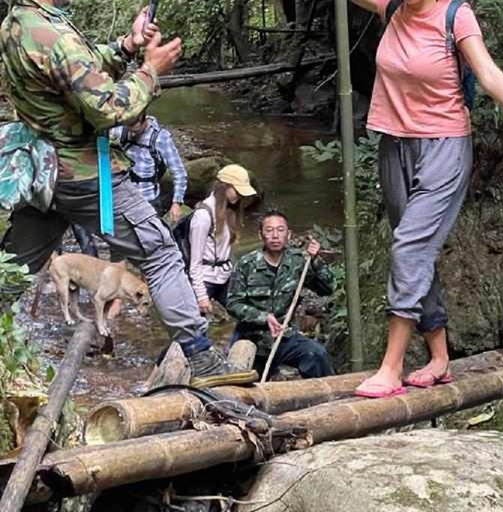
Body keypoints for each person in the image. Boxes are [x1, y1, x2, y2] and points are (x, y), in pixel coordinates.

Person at [0, 0, 245, 379]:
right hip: (84, 175)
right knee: (161, 253)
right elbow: (109, 109)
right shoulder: (52, 34)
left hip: (43, 173)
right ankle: (202, 358)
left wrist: (126, 47)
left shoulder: (18, 22)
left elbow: (76, 71)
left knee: (12, 269)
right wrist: (151, 70)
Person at [348, 0, 503, 398]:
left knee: (409, 246)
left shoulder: (456, 16)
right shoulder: (391, 7)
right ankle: (439, 358)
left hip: (444, 147)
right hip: (394, 145)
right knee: (416, 248)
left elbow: (487, 74)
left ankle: (390, 367)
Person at [227, 210, 335, 379]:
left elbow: (327, 288)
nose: (275, 236)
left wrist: (316, 261)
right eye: (269, 231)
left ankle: (323, 399)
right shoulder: (246, 264)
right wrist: (263, 317)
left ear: (288, 234)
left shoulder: (299, 261)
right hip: (251, 339)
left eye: (280, 230)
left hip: (284, 337)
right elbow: (233, 304)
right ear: (261, 235)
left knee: (316, 355)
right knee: (239, 378)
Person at [189, 165, 257, 314]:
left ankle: (238, 338)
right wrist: (201, 296)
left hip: (224, 277)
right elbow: (195, 263)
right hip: (205, 280)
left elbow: (227, 252)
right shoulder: (203, 216)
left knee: (246, 315)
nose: (240, 196)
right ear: (224, 187)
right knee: (196, 329)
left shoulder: (230, 212)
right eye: (237, 191)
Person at [110, 111, 188, 223]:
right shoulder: (121, 130)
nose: (132, 134)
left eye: (135, 130)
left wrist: (176, 203)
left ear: (144, 121)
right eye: (129, 129)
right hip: (123, 197)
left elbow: (179, 173)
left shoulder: (161, 138)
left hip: (147, 199)